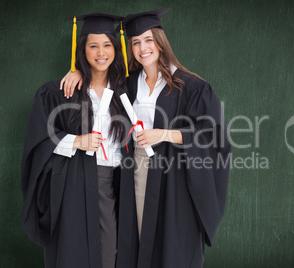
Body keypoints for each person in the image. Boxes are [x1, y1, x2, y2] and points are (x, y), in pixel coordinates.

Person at [60, 7, 231, 268]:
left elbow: (212, 135)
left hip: (176, 174)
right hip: (136, 171)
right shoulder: (128, 84)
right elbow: (100, 81)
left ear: (161, 42)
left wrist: (163, 134)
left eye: (149, 40)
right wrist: (79, 72)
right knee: (138, 238)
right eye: (136, 42)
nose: (143, 48)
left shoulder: (191, 87)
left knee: (174, 243)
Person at [21, 13, 128, 268]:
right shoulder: (59, 92)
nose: (101, 52)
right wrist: (76, 141)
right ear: (83, 49)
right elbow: (38, 139)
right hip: (71, 183)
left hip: (111, 184)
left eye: (107, 45)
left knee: (110, 254)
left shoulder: (126, 91)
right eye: (93, 45)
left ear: (115, 48)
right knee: (71, 253)